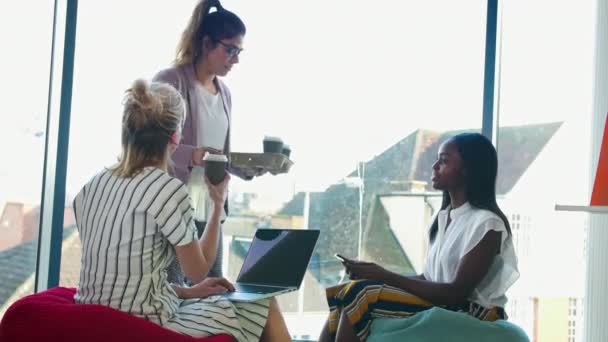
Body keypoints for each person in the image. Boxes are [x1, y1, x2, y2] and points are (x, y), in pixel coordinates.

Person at [73, 79, 290, 342]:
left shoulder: (90, 186)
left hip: (92, 312)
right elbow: (198, 271)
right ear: (175, 137)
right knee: (265, 304)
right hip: (143, 319)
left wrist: (187, 292)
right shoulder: (167, 190)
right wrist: (217, 203)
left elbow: (123, 273)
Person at [319, 133, 519, 342]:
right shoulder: (442, 218)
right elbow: (429, 279)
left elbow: (456, 293)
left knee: (360, 294)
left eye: (443, 160)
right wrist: (374, 275)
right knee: (345, 291)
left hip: (475, 311)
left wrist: (383, 275)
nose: (434, 166)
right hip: (446, 302)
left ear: (467, 170)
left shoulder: (488, 223)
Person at [152, 0, 258, 281]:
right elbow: (151, 144)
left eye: (239, 52)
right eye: (230, 49)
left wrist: (249, 168)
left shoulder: (225, 94)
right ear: (206, 44)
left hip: (211, 209)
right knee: (175, 292)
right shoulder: (169, 81)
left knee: (212, 290)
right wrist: (194, 155)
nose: (235, 59)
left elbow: (217, 156)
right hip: (176, 207)